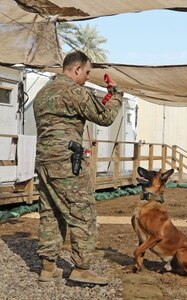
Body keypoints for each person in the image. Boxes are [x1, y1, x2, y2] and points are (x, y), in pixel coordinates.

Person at [33, 50, 123, 285]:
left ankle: (48, 267)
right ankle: (81, 268)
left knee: (50, 211)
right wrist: (115, 93)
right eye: (87, 73)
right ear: (76, 69)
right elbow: (105, 117)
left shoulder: (42, 94)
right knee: (83, 212)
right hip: (66, 162)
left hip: (44, 161)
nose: (87, 78)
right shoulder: (73, 91)